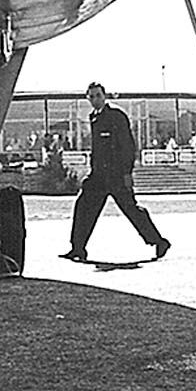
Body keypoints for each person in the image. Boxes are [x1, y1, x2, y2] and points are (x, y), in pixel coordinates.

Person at [60, 82, 171, 262]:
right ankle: (77, 248)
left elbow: (128, 146)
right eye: (92, 96)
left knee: (132, 210)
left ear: (105, 96)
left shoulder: (116, 115)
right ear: (88, 98)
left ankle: (158, 241)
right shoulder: (94, 117)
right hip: (98, 176)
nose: (95, 99)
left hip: (117, 175)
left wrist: (127, 172)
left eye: (98, 95)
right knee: (83, 206)